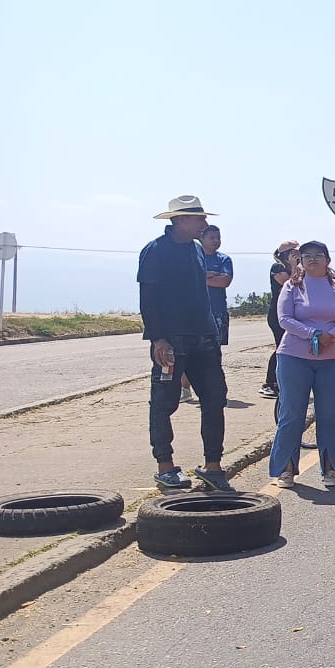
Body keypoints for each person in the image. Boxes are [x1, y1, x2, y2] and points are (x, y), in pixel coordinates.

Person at [138, 195, 233, 492]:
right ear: (180, 220)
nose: (204, 224)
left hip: (205, 338)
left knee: (215, 398)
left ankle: (212, 465)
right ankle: (165, 466)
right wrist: (158, 338)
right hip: (171, 340)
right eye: (199, 219)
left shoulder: (195, 249)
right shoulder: (155, 251)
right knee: (164, 403)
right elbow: (148, 299)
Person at [267, 240, 335, 488]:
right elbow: (284, 319)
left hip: (332, 358)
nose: (313, 259)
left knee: (328, 414)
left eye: (318, 255)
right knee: (292, 414)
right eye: (307, 256)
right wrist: (313, 334)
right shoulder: (291, 286)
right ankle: (285, 469)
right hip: (294, 357)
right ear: (300, 261)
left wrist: (331, 336)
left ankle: (330, 469)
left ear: (328, 260)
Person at [182, 224, 233, 405]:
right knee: (189, 350)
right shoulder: (193, 257)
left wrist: (202, 278)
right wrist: (210, 276)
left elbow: (225, 280)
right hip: (194, 312)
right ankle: (185, 388)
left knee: (214, 351)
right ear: (201, 239)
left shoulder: (224, 259)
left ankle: (216, 390)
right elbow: (186, 280)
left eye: (218, 238)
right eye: (212, 238)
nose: (216, 241)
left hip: (217, 311)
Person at [260, 240, 298, 399]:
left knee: (287, 347)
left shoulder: (295, 268)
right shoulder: (278, 268)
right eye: (294, 253)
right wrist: (295, 266)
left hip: (290, 314)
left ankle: (281, 381)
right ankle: (270, 383)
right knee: (281, 347)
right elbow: (291, 284)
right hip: (277, 314)